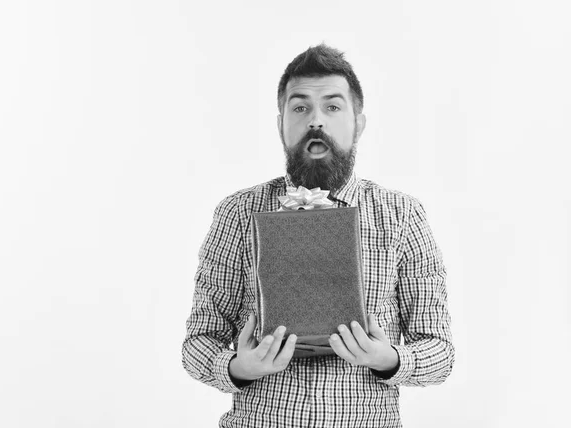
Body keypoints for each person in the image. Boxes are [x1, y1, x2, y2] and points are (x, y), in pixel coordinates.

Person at [182, 44, 454, 428]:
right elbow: (199, 341)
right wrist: (237, 367)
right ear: (281, 124)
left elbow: (439, 353)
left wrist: (388, 359)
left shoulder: (401, 215)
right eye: (300, 107)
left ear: (358, 122)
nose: (315, 121)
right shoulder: (238, 212)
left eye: (332, 106)